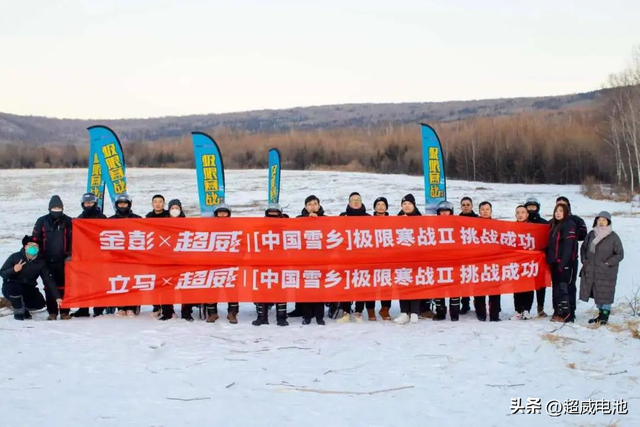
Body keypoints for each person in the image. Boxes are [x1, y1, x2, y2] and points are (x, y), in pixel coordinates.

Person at [579, 211, 624, 325]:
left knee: (606, 293)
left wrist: (608, 263)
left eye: (604, 220)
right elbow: (583, 248)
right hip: (592, 269)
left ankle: (605, 316)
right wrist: (584, 260)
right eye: (599, 220)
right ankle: (600, 315)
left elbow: (620, 254)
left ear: (608, 222)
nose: (601, 222)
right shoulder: (591, 234)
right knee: (596, 292)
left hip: (606, 271)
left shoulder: (613, 236)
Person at [1, 236, 62, 320]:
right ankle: (18, 310)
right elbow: (3, 273)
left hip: (28, 287)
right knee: (15, 290)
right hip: (11, 285)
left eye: (35, 246)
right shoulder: (15, 257)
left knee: (40, 303)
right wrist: (13, 270)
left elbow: (48, 280)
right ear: (25, 246)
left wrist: (57, 296)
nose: (33, 247)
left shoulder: (41, 262)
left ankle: (24, 307)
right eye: (30, 245)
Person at [32, 195, 73, 321]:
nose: (57, 210)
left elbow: (74, 239)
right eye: (54, 208)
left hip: (64, 260)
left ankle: (65, 311)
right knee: (49, 286)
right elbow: (35, 239)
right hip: (47, 260)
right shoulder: (41, 221)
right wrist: (38, 255)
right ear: (49, 208)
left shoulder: (68, 221)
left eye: (59, 208)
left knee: (65, 287)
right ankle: (52, 312)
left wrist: (70, 254)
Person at [157, 199, 195, 321]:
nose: (175, 210)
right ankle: (167, 312)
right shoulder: (163, 223)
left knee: (186, 287)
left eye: (177, 208)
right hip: (167, 260)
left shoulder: (187, 223)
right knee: (166, 286)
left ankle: (187, 312)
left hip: (184, 259)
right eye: (172, 208)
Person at [253, 203, 289, 327]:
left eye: (275, 215)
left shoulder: (287, 227)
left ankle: (281, 317)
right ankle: (262, 317)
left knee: (281, 290)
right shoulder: (259, 227)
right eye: (270, 215)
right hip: (263, 263)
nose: (272, 218)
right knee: (262, 290)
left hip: (281, 263)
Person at [72, 193, 107, 318]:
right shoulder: (79, 219)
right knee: (83, 283)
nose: (88, 205)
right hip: (84, 256)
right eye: (86, 203)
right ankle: (83, 308)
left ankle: (99, 309)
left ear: (95, 203)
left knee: (99, 282)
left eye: (91, 203)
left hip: (99, 256)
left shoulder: (102, 217)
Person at [337, 192, 371, 323]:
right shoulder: (342, 216)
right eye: (353, 200)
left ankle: (358, 311)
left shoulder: (368, 218)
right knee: (347, 283)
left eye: (358, 200)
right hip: (346, 256)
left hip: (363, 256)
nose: (356, 202)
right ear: (349, 203)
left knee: (361, 283)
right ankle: (346, 311)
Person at [204, 203, 240, 324]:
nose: (222, 215)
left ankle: (232, 312)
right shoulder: (209, 228)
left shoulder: (236, 227)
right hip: (213, 263)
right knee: (212, 288)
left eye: (225, 213)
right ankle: (212, 313)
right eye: (220, 213)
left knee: (232, 289)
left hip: (231, 262)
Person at [109, 194, 142, 317]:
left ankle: (132, 307)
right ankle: (121, 306)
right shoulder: (110, 220)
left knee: (133, 282)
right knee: (119, 281)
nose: (122, 206)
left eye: (125, 203)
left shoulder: (138, 219)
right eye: (120, 204)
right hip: (116, 257)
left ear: (129, 204)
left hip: (133, 256)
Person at [555, 196, 587, 321]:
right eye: (558, 205)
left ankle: (570, 311)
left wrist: (569, 232)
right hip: (556, 261)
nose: (560, 208)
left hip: (570, 260)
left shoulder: (575, 220)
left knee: (568, 286)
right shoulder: (553, 222)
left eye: (564, 205)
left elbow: (583, 234)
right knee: (558, 287)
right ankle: (558, 310)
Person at [296, 195, 326, 325]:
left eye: (315, 204)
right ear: (305, 207)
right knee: (306, 288)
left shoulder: (326, 220)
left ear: (319, 206)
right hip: (304, 260)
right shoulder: (298, 220)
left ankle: (320, 316)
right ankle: (306, 315)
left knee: (320, 288)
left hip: (321, 259)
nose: (312, 206)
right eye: (309, 204)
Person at [546, 203, 578, 323]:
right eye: (556, 211)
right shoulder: (554, 225)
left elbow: (568, 248)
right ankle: (559, 312)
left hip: (565, 264)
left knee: (564, 289)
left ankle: (567, 314)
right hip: (554, 263)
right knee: (557, 289)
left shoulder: (569, 225)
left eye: (561, 211)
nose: (558, 213)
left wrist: (563, 264)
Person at [395, 194, 422, 324]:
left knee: (415, 283)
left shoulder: (420, 219)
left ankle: (415, 312)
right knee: (403, 282)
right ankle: (404, 312)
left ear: (414, 205)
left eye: (409, 204)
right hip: (401, 258)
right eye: (404, 204)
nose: (407, 206)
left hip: (416, 257)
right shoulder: (396, 219)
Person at [432, 201, 460, 321]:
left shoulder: (457, 225)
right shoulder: (432, 226)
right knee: (439, 287)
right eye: (441, 211)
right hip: (438, 260)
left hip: (454, 260)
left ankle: (455, 313)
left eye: (446, 211)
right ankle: (440, 311)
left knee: (454, 287)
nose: (444, 214)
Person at [473, 201, 501, 321]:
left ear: (491, 211)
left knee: (495, 288)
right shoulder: (473, 224)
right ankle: (481, 313)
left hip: (494, 261)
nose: (485, 211)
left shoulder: (497, 224)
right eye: (482, 209)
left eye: (487, 209)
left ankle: (494, 313)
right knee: (479, 287)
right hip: (478, 260)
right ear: (479, 211)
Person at [523, 197, 550, 317]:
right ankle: (525, 309)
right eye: (529, 207)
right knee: (527, 284)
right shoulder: (522, 223)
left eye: (533, 207)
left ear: (537, 208)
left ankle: (540, 308)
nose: (531, 209)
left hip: (540, 258)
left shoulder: (545, 223)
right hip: (526, 259)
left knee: (540, 285)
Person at [372, 197, 392, 320]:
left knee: (386, 283)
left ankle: (385, 309)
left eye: (383, 204)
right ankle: (370, 310)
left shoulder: (393, 220)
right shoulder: (368, 220)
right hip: (372, 256)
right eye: (378, 204)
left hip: (388, 257)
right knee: (372, 284)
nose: (380, 206)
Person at [513, 205, 534, 320]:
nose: (520, 215)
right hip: (516, 262)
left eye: (523, 212)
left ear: (527, 214)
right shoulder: (511, 227)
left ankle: (527, 310)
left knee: (528, 286)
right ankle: (518, 310)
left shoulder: (532, 227)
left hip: (529, 261)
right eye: (518, 212)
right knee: (517, 287)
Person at [459, 196, 478, 314]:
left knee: (476, 280)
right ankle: (465, 305)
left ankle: (478, 304)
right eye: (464, 205)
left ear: (472, 206)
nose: (466, 207)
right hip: (462, 254)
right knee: (464, 280)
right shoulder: (457, 219)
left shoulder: (478, 219)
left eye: (468, 204)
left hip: (476, 254)